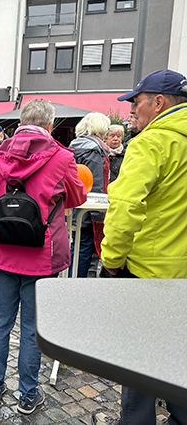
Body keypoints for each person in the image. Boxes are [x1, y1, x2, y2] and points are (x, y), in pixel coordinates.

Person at [0, 99, 87, 415]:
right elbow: (77, 197)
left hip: (0, 251)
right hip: (42, 255)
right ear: (50, 126)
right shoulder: (62, 157)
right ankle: (27, 396)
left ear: (19, 122)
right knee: (31, 328)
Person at [92, 70, 187, 425]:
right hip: (182, 270)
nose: (132, 109)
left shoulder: (152, 142)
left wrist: (112, 261)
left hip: (149, 270)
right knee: (176, 356)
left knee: (138, 363)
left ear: (158, 102)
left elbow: (126, 207)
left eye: (136, 101)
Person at [68, 112, 110, 278]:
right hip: (88, 209)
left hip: (77, 205)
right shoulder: (93, 149)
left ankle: (73, 282)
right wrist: (99, 215)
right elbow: (95, 186)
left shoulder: (76, 145)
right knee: (84, 249)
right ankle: (76, 286)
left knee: (77, 247)